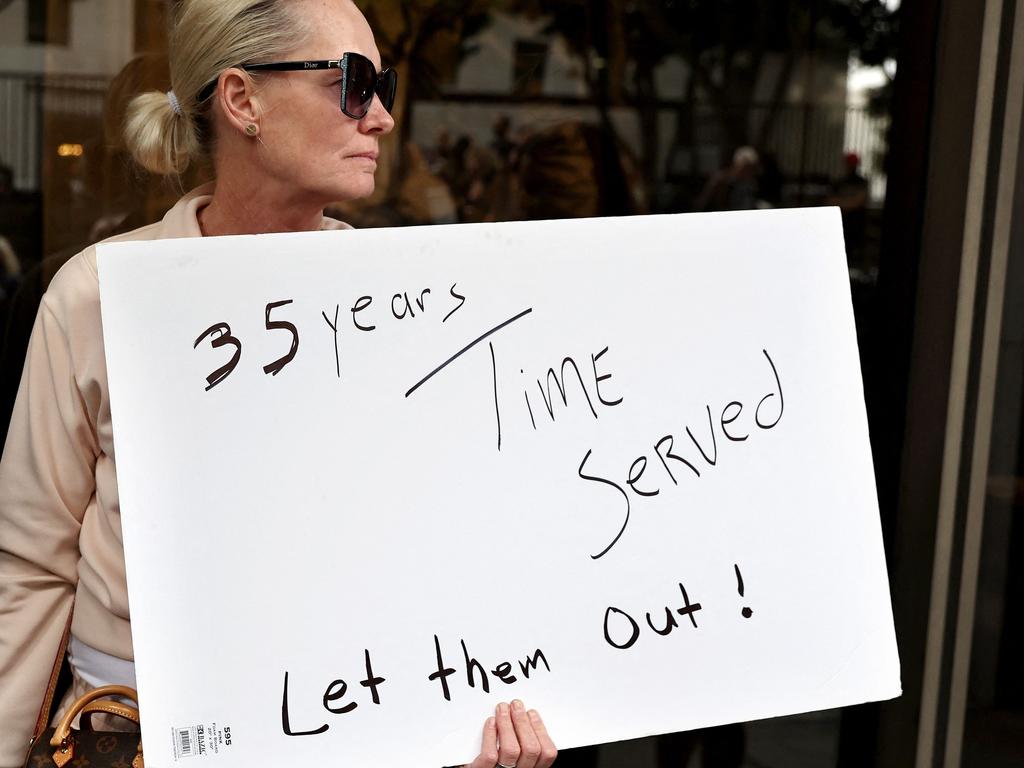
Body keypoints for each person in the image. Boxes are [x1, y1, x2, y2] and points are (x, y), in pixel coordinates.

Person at [0, 3, 558, 768]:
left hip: (346, 729)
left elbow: (431, 549)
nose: (384, 118)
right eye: (355, 83)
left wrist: (462, 727)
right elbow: (31, 560)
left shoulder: (409, 307)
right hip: (125, 735)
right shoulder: (98, 293)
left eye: (383, 84)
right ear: (242, 100)